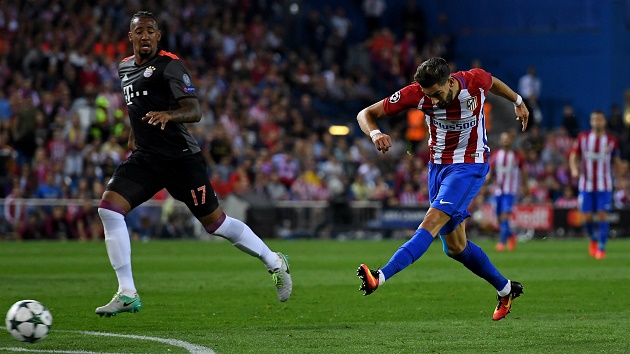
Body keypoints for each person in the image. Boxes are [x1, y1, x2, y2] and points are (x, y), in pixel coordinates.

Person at [95, 11, 292, 317]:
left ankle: (274, 261)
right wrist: (135, 136)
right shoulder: (124, 68)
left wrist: (168, 115)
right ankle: (127, 291)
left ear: (158, 36)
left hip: (180, 158)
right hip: (147, 157)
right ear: (130, 37)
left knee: (216, 224)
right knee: (109, 209)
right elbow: (138, 107)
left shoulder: (170, 64)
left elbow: (194, 109)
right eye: (139, 31)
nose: (144, 35)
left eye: (150, 31)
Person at [356, 57, 529, 321]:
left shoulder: (474, 80)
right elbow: (365, 114)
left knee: (431, 221)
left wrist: (518, 102)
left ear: (449, 82)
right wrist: (375, 134)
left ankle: (380, 276)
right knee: (456, 248)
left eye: (436, 94)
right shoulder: (415, 94)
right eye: (428, 96)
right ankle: (506, 289)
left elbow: (493, 83)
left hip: (469, 166)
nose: (433, 101)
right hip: (437, 168)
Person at [569, 110, 622, 260]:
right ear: (591, 122)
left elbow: (617, 162)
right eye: (594, 120)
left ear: (604, 121)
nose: (597, 122)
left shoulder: (611, 140)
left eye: (599, 119)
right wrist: (574, 169)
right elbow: (574, 155)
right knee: (586, 218)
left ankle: (602, 247)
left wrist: (621, 178)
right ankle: (593, 238)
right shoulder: (583, 138)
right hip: (586, 185)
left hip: (604, 185)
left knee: (603, 215)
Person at [489, 132, 527, 252]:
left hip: (510, 191)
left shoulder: (516, 156)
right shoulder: (496, 155)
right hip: (498, 190)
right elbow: (491, 170)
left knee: (505, 216)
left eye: (507, 139)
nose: (505, 141)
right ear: (501, 141)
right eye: (503, 139)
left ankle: (501, 242)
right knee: (499, 218)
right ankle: (511, 236)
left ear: (511, 141)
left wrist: (525, 186)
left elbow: (523, 171)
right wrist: (486, 181)